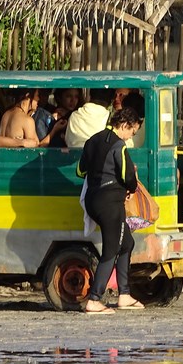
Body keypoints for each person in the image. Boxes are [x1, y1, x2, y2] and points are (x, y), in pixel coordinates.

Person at [76, 107, 145, 314]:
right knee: (111, 249)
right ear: (124, 125)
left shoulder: (92, 140)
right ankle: (94, 299)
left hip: (92, 200)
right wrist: (131, 187)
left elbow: (80, 171)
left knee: (127, 243)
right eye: (132, 132)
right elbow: (128, 177)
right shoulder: (118, 145)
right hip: (110, 203)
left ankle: (124, 294)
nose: (130, 137)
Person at [0, 88, 66, 147]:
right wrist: (54, 130)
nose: (38, 99)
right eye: (37, 95)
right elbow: (38, 150)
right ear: (28, 96)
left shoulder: (6, 115)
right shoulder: (26, 120)